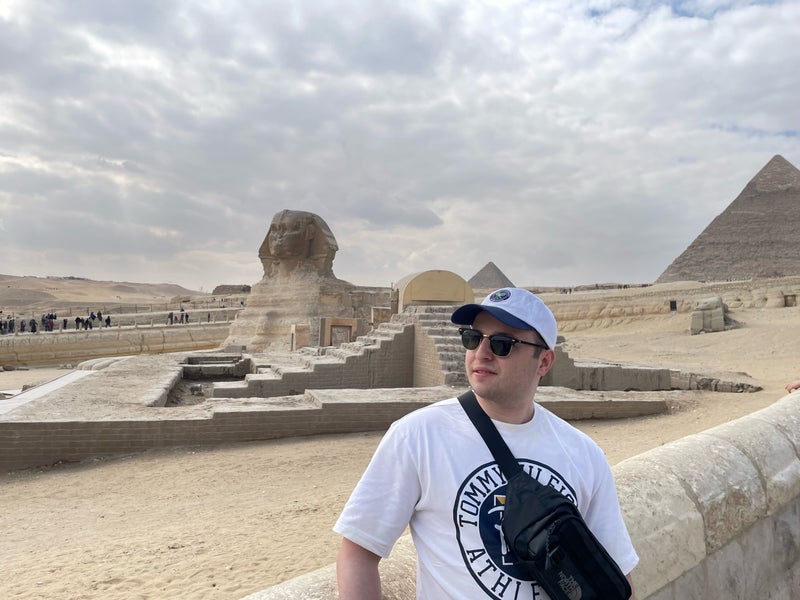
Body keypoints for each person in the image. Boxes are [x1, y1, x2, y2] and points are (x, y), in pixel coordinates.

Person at [335, 288, 639, 599]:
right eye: (473, 338)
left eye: (502, 344)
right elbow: (358, 552)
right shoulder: (417, 436)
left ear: (544, 361)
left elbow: (615, 575)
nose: (481, 352)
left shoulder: (584, 454)